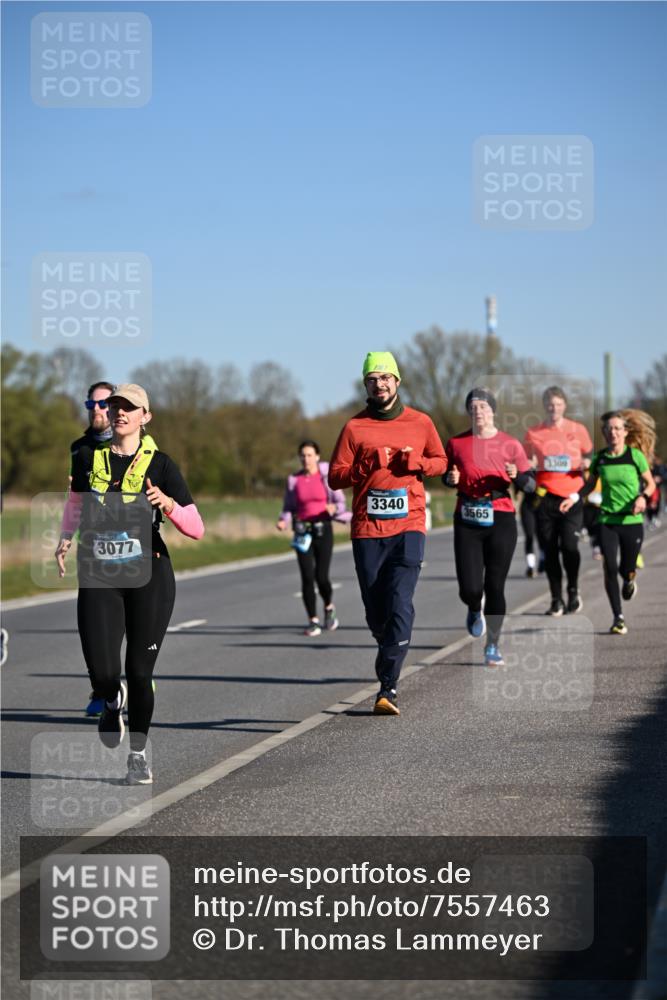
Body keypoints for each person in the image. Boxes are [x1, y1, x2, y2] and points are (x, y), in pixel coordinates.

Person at [55, 384, 204, 784]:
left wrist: (168, 505)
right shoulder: (88, 457)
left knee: (139, 672)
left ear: (145, 416)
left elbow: (197, 528)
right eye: (115, 406)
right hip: (100, 573)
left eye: (129, 408)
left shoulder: (162, 465)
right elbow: (75, 501)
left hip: (149, 575)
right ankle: (109, 698)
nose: (119, 413)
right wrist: (66, 537)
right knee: (103, 671)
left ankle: (137, 754)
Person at [328, 351, 446, 715]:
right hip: (367, 529)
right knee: (376, 611)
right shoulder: (354, 428)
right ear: (365, 384)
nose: (379, 385)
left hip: (409, 525)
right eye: (372, 379)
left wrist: (419, 464)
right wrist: (363, 466)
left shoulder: (421, 422)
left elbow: (441, 462)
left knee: (400, 602)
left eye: (385, 378)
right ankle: (387, 643)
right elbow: (335, 477)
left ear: (397, 381)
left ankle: (388, 688)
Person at [444, 388, 535, 667]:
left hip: (501, 518)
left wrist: (516, 476)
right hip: (467, 517)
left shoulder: (510, 444)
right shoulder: (456, 443)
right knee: (470, 588)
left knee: (495, 585)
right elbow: (447, 477)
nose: (478, 411)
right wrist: (451, 477)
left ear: (493, 410)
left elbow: (531, 486)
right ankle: (474, 607)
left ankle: (492, 645)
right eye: (473, 406)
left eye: (483, 406)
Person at [561, 410, 656, 636]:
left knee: (627, 568)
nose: (612, 432)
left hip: (632, 520)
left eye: (617, 428)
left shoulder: (635, 457)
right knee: (610, 567)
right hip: (607, 520)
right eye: (608, 429)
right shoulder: (600, 459)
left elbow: (650, 484)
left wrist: (643, 497)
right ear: (604, 433)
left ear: (625, 432)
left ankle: (630, 579)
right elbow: (589, 485)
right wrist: (573, 498)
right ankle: (618, 617)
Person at [524, 387, 593, 616]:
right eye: (550, 404)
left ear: (565, 405)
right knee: (550, 549)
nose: (554, 408)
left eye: (558, 404)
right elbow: (524, 461)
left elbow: (590, 456)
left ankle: (573, 589)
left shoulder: (578, 429)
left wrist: (586, 463)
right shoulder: (534, 432)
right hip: (546, 498)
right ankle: (556, 599)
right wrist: (529, 464)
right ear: (545, 406)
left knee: (570, 547)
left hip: (572, 497)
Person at [70, 380, 117, 717]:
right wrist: (65, 536)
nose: (97, 410)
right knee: (90, 623)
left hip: (126, 545)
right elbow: (75, 498)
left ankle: (132, 678)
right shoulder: (79, 448)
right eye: (91, 405)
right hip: (90, 546)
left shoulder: (129, 444)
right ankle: (102, 688)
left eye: (103, 404)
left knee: (120, 621)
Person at [276, 440, 351, 635]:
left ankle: (328, 607)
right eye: (302, 455)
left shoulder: (326, 477)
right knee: (307, 577)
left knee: (321, 576)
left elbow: (340, 503)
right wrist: (283, 520)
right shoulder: (294, 480)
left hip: (323, 529)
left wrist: (334, 508)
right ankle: (313, 621)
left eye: (310, 455)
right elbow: (288, 507)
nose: (306, 459)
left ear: (317, 457)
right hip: (302, 531)